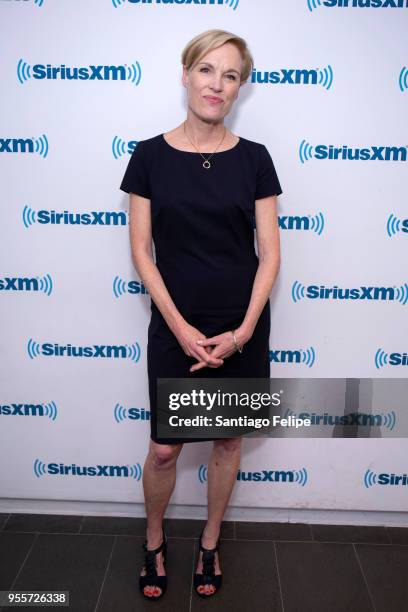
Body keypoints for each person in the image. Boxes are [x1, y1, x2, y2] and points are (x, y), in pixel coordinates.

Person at [119, 28, 282, 601]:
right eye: (207, 70)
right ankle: (155, 540)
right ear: (186, 74)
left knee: (228, 443)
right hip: (176, 325)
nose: (217, 84)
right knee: (166, 447)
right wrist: (182, 329)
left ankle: (210, 542)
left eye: (231, 75)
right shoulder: (149, 156)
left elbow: (270, 256)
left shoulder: (256, 160)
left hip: (240, 329)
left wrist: (240, 335)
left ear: (240, 89)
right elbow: (142, 252)